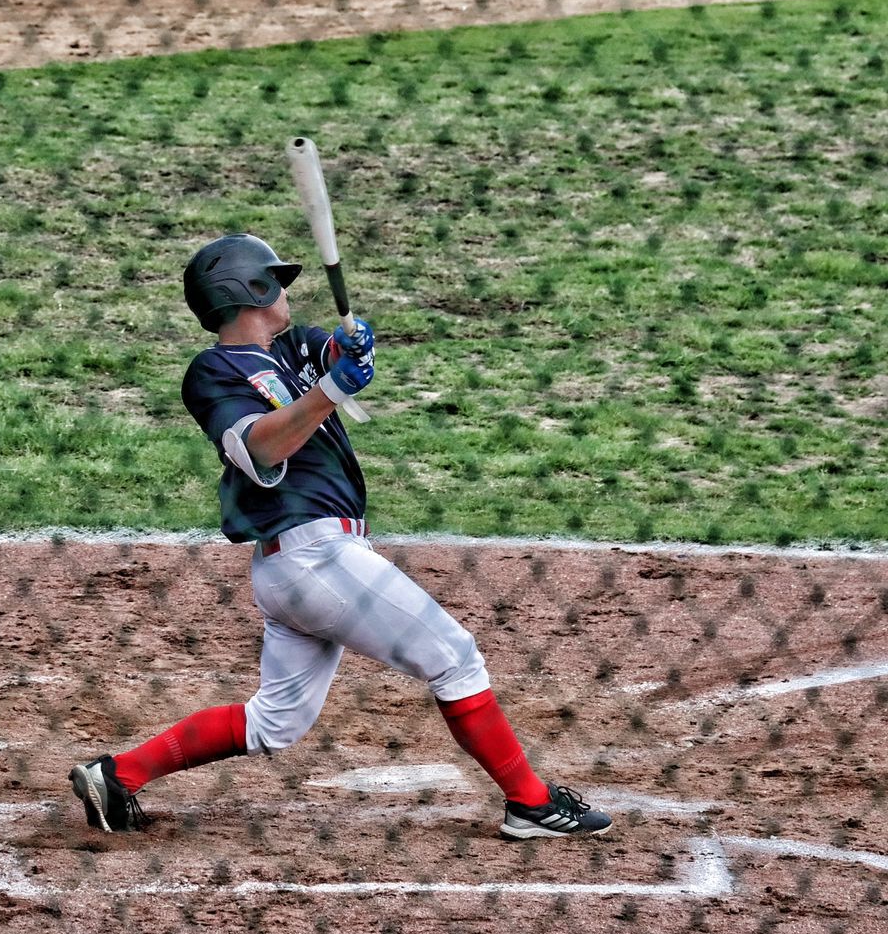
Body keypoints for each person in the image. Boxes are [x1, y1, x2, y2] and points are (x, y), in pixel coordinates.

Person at [68, 234, 612, 840]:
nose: (287, 292)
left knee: (276, 721)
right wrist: (333, 390)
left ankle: (117, 774)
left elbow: (328, 352)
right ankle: (530, 803)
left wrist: (352, 346)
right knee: (455, 658)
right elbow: (258, 449)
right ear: (251, 289)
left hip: (306, 566)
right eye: (277, 280)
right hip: (313, 557)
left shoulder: (290, 349)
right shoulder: (214, 371)